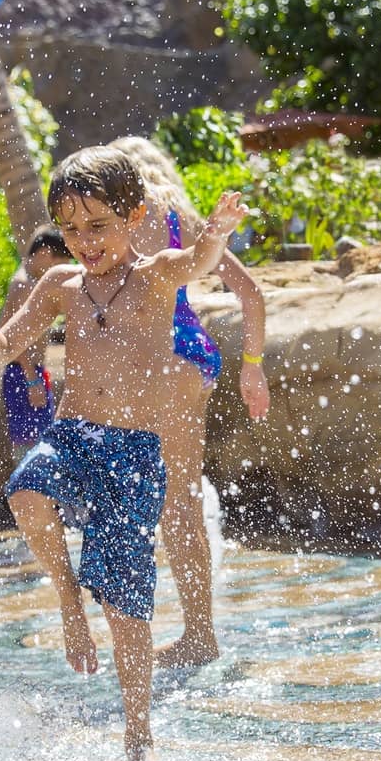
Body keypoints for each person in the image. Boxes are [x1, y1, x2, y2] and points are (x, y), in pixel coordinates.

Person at [0, 146, 249, 761]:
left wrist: (216, 232)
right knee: (26, 490)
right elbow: (1, 350)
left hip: (134, 453)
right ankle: (68, 603)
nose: (83, 242)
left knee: (126, 604)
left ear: (134, 215)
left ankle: (137, 732)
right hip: (72, 436)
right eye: (71, 229)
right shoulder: (61, 284)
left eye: (98, 227)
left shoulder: (158, 274)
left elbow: (201, 260)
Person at [110, 135, 270, 669]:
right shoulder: (184, 219)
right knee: (179, 497)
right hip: (192, 355)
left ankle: (192, 636)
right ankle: (196, 631)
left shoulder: (120, 217)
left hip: (153, 360)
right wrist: (252, 368)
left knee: (159, 502)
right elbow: (251, 293)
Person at [0, 226, 73, 456]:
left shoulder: (25, 277)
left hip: (27, 372)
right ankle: (28, 490)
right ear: (44, 254)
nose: (60, 270)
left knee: (36, 441)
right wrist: (32, 380)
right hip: (23, 373)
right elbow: (8, 337)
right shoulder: (25, 285)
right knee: (32, 446)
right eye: (59, 262)